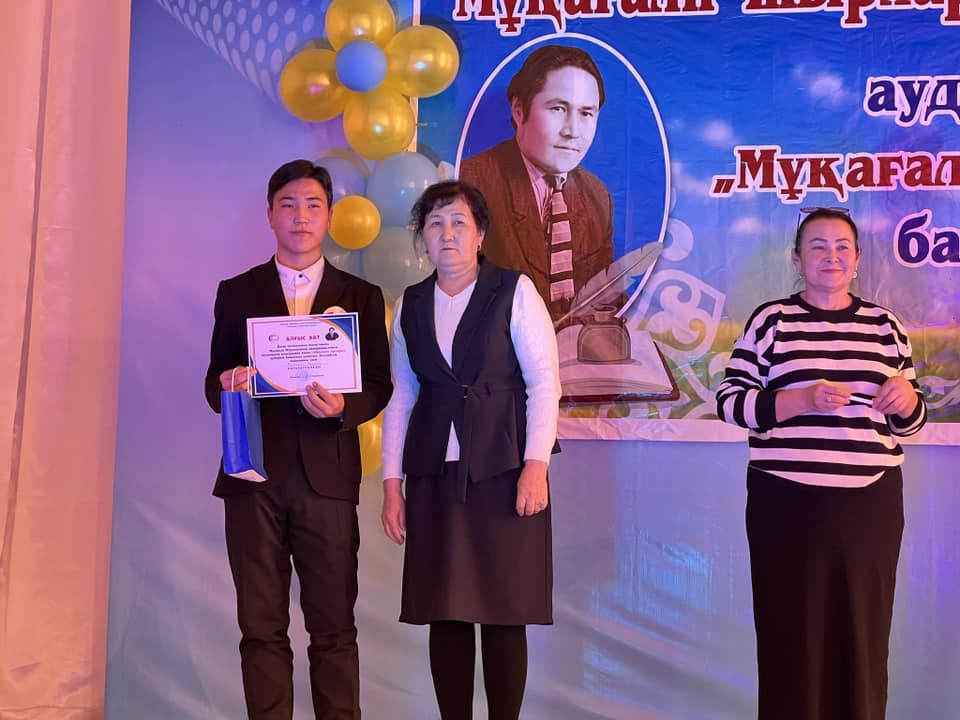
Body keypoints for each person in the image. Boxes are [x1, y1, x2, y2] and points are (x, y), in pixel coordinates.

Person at [715, 208, 928, 720]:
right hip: (785, 502)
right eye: (817, 246)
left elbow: (911, 422)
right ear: (796, 259)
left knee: (863, 632)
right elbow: (730, 402)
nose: (831, 256)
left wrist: (906, 403)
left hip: (870, 503)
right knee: (792, 633)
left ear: (856, 260)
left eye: (841, 247)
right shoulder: (771, 322)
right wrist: (801, 399)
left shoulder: (886, 326)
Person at [204, 159, 392, 719]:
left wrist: (343, 409)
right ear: (270, 215)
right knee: (261, 628)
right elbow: (213, 385)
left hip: (327, 479)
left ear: (329, 217)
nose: (300, 216)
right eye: (288, 205)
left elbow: (379, 384)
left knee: (333, 628)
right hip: (252, 478)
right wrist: (228, 383)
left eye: (313, 205)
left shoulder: (360, 294)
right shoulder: (237, 291)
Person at [380, 180, 561, 720]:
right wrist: (392, 485)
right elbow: (402, 395)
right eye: (435, 224)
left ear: (481, 234)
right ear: (423, 238)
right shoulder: (411, 304)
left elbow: (544, 384)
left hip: (504, 470)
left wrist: (536, 467)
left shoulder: (515, 290)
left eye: (459, 222)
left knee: (505, 611)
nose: (447, 234)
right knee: (447, 611)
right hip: (435, 475)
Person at [459, 44, 613, 326]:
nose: (572, 131)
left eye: (586, 113)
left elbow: (604, 297)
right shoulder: (471, 183)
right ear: (519, 111)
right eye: (558, 108)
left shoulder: (597, 196)